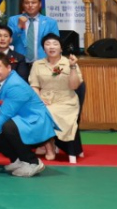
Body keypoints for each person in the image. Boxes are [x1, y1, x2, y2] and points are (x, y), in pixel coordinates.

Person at [0, 53, 56, 177]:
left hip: (34, 122)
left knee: (6, 126)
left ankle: (32, 162)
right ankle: (17, 160)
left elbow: (5, 114)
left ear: (9, 68)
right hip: (17, 120)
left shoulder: (16, 85)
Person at [28, 34, 84, 162]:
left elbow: (74, 86)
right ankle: (49, 145)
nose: (51, 47)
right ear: (43, 49)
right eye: (47, 44)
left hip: (66, 101)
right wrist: (39, 100)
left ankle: (49, 144)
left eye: (55, 44)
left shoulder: (69, 63)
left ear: (61, 48)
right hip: (44, 99)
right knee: (36, 112)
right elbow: (34, 86)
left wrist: (73, 67)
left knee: (47, 113)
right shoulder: (37, 64)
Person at [9, 0, 60, 64]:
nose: (30, 5)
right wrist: (19, 27)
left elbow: (56, 44)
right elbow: (10, 41)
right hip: (19, 62)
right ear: (23, 5)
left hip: (43, 62)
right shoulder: (13, 20)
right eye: (27, 3)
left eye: (33, 2)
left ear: (40, 4)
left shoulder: (50, 22)